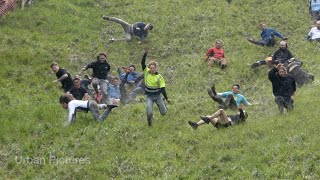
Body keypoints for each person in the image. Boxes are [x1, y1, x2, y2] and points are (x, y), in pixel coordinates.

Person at [141, 48, 171, 126]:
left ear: (156, 68)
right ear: (149, 68)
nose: (152, 69)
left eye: (153, 68)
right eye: (151, 68)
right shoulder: (146, 72)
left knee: (164, 113)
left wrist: (167, 98)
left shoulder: (159, 77)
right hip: (149, 96)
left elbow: (163, 89)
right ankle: (149, 123)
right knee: (149, 111)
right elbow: (142, 63)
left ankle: (163, 104)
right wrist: (145, 54)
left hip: (158, 96)